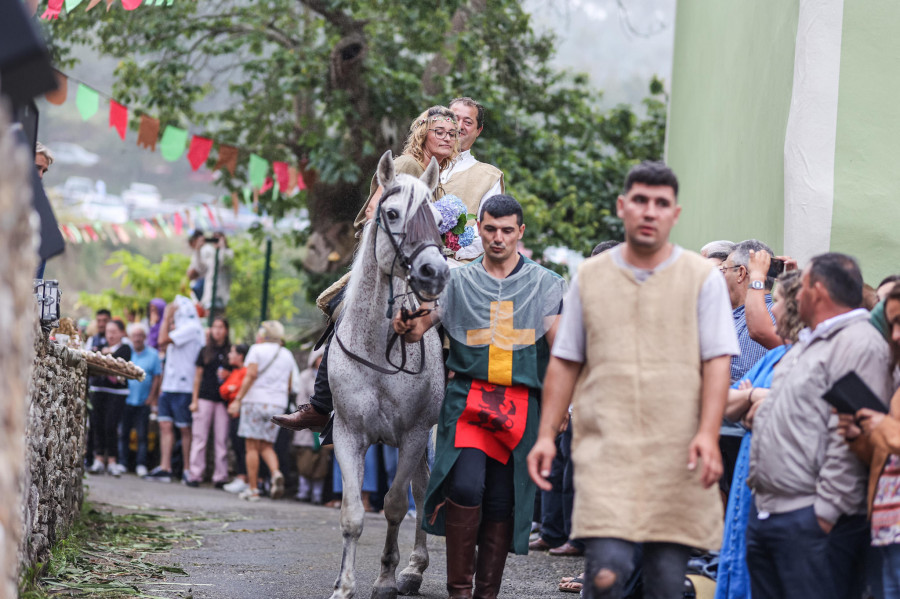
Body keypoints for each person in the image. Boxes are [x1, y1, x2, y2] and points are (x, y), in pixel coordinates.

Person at [527, 161, 739, 599]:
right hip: (608, 450)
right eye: (640, 201)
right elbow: (566, 360)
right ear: (624, 207)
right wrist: (547, 433)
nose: (649, 211)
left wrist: (707, 433)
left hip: (676, 452)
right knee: (607, 575)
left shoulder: (702, 280)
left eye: (661, 204)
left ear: (674, 214)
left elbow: (717, 361)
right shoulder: (591, 278)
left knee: (662, 583)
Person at [393, 194, 567, 599]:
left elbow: (561, 350)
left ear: (520, 232)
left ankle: (485, 595)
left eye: (507, 230)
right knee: (467, 488)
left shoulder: (546, 283)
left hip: (522, 406)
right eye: (490, 229)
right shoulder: (458, 280)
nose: (498, 238)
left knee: (501, 501)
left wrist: (563, 407)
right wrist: (404, 323)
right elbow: (422, 324)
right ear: (480, 229)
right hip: (468, 400)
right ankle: (458, 593)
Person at [273, 105, 461, 434]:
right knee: (345, 310)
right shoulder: (405, 165)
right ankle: (321, 405)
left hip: (421, 262)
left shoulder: (439, 175)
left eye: (452, 133)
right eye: (438, 131)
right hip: (386, 262)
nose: (446, 137)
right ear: (422, 133)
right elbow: (377, 212)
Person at [746, 253, 893, 599]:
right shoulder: (809, 342)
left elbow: (856, 436)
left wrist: (823, 515)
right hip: (772, 512)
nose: (795, 295)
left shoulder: (859, 343)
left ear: (819, 290)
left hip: (811, 521)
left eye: (802, 286)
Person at [714, 270, 803, 599]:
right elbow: (727, 402)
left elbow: (777, 406)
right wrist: (753, 396)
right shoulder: (777, 356)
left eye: (776, 302)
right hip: (749, 475)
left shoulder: (803, 357)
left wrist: (750, 398)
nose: (772, 310)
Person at [838, 281, 900, 598]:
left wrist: (884, 427)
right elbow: (886, 456)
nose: (896, 335)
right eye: (892, 324)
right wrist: (857, 437)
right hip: (886, 526)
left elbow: (893, 437)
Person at [717, 240, 778, 498]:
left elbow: (742, 374)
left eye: (725, 270)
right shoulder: (732, 315)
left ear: (742, 273)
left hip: (741, 438)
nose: (719, 277)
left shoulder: (766, 315)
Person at [227, 321, 297, 502]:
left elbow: (250, 375)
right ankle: (275, 473)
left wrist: (238, 399)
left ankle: (253, 489)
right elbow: (290, 385)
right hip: (277, 404)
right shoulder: (287, 354)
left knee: (251, 446)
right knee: (266, 445)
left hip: (255, 402)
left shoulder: (256, 350)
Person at [145, 295, 204, 483]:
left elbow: (161, 340)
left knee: (185, 429)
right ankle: (165, 467)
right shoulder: (181, 328)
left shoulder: (191, 328)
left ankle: (187, 468)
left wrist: (167, 316)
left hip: (184, 386)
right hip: (169, 385)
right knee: (165, 424)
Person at [442, 97, 505, 263]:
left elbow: (489, 230)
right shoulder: (418, 164)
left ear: (479, 130)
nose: (459, 126)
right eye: (454, 119)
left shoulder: (489, 177)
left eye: (468, 122)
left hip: (457, 268)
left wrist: (449, 249)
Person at [186, 317, 231, 488]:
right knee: (199, 439)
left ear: (226, 330)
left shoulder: (230, 352)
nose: (217, 330)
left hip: (223, 402)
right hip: (204, 398)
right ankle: (195, 474)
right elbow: (197, 377)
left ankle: (220, 476)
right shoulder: (204, 351)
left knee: (221, 440)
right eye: (215, 327)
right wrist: (194, 400)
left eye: (221, 327)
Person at [87, 319, 132, 476]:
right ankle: (98, 459)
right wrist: (104, 355)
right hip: (98, 389)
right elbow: (93, 358)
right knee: (97, 424)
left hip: (117, 393)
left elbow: (116, 361)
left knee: (110, 426)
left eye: (114, 332)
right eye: (108, 332)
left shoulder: (126, 348)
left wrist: (105, 355)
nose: (111, 335)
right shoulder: (98, 345)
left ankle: (113, 461)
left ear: (122, 333)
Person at [119, 323, 162, 477]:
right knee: (124, 433)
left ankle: (141, 464)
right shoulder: (126, 352)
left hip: (144, 401)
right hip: (126, 399)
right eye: (134, 336)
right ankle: (123, 463)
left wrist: (152, 397)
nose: (137, 339)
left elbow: (157, 377)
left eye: (140, 336)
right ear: (130, 338)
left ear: (144, 337)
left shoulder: (153, 355)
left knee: (142, 435)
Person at [292, 348, 332, 504]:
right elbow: (300, 399)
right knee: (305, 461)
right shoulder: (304, 377)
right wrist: (308, 416)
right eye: (319, 357)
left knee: (321, 462)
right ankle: (303, 491)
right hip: (307, 425)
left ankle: (317, 494)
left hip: (324, 424)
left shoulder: (331, 377)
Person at [220, 343, 251, 494]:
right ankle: (242, 477)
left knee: (242, 448)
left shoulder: (245, 372)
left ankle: (244, 478)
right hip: (234, 415)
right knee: (237, 447)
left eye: (232, 352)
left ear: (241, 355)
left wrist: (231, 390)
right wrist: (230, 389)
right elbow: (224, 390)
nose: (229, 355)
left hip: (242, 415)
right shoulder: (235, 372)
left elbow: (234, 390)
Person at [187, 231, 234, 314]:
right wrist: (197, 250)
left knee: (218, 320)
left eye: (218, 238)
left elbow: (221, 261)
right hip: (209, 295)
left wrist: (221, 247)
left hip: (221, 296)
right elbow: (200, 268)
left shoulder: (228, 253)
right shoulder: (212, 254)